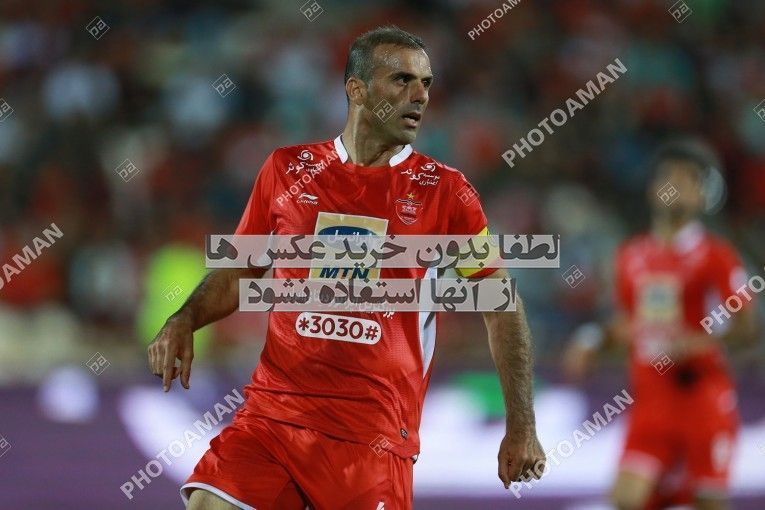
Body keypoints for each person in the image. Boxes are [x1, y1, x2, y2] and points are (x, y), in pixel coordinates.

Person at [148, 25, 545, 510]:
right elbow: (240, 271)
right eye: (402, 80)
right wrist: (185, 317)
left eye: (426, 83)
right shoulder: (287, 170)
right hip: (273, 419)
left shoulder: (447, 192)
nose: (420, 95)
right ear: (356, 89)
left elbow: (501, 304)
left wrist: (521, 425)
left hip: (371, 438)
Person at [563, 140, 758, 510]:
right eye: (670, 177)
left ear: (702, 196)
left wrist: (699, 342)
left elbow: (747, 326)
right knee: (626, 500)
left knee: (708, 502)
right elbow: (626, 322)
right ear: (654, 188)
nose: (677, 186)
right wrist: (591, 339)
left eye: (689, 180)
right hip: (651, 399)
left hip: (702, 397)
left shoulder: (717, 257)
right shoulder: (631, 255)